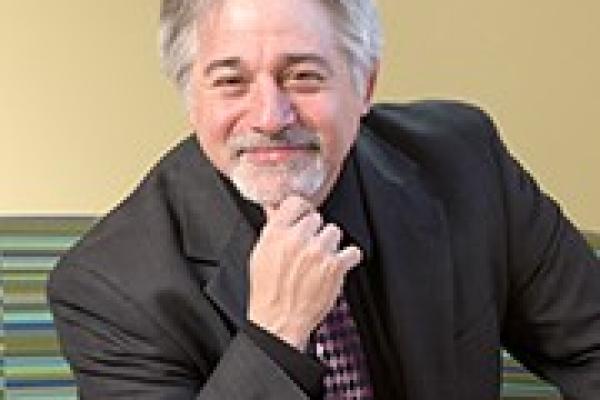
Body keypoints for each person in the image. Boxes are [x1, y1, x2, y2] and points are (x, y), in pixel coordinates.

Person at [47, 0, 600, 398]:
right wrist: (274, 335)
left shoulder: (465, 164)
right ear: (191, 99)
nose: (270, 118)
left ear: (365, 86)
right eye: (231, 82)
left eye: (304, 76)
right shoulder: (106, 286)